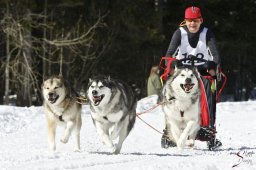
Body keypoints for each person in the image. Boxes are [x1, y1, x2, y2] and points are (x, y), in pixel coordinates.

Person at [161, 6, 222, 150]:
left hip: (202, 72)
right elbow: (168, 55)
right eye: (189, 20)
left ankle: (208, 129)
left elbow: (216, 56)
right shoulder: (179, 33)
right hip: (183, 72)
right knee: (170, 91)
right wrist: (173, 62)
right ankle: (169, 132)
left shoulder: (207, 34)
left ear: (200, 20)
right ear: (185, 21)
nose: (192, 24)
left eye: (195, 20)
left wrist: (213, 65)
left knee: (207, 86)